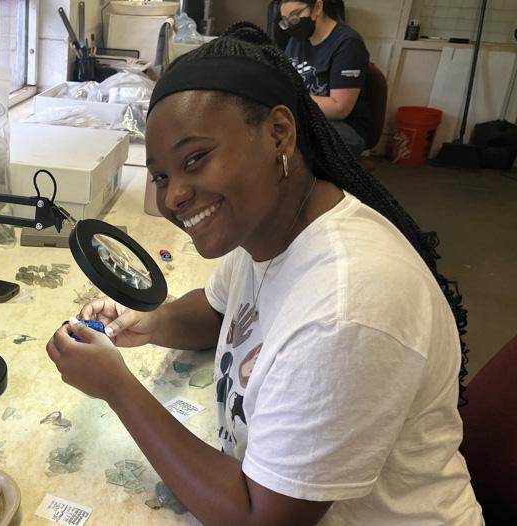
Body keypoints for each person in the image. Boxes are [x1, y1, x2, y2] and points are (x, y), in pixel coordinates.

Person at [45, 23, 482, 525]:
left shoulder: (347, 307)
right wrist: (145, 324)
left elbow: (260, 519)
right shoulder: (270, 228)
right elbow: (217, 309)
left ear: (279, 132)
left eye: (196, 159)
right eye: (162, 176)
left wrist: (118, 387)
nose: (173, 197)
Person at [279, 0, 371, 157]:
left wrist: (291, 97)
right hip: (306, 115)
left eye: (295, 16)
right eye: (286, 22)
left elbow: (339, 108)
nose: (292, 25)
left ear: (317, 8)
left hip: (345, 127)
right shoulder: (297, 40)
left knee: (286, 140)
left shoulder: (348, 44)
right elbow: (285, 81)